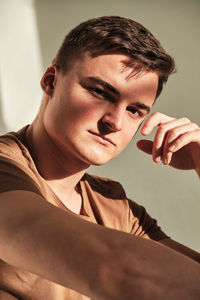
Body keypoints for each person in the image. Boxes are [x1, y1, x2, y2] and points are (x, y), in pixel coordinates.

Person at [0, 15, 200, 300]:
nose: (115, 121)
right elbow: (116, 269)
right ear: (50, 82)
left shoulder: (115, 206)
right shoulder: (5, 167)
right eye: (99, 92)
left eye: (135, 110)